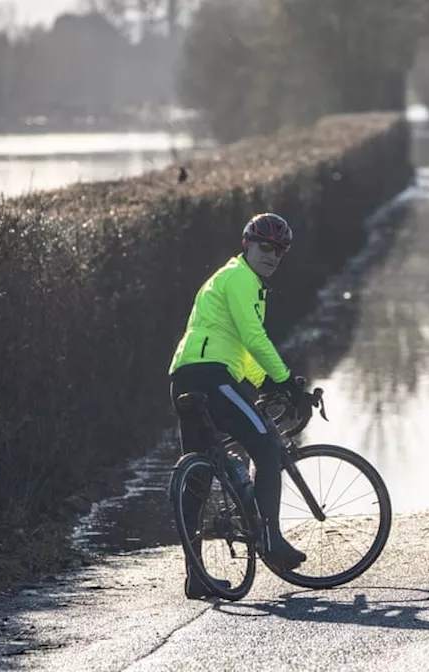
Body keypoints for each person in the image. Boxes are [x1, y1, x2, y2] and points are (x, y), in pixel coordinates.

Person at [168, 212, 311, 599]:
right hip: (212, 377)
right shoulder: (241, 280)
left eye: (279, 251)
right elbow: (254, 336)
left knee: (198, 476)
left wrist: (266, 381)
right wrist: (284, 381)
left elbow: (240, 346)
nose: (272, 256)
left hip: (185, 377)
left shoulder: (231, 281)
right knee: (266, 446)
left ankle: (197, 577)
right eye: (265, 247)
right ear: (246, 244)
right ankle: (273, 541)